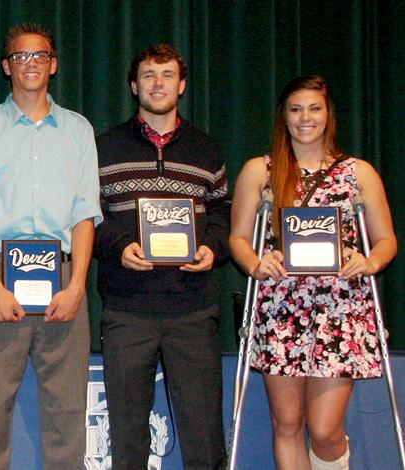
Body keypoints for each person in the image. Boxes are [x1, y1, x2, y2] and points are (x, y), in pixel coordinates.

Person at [230, 75, 397, 470]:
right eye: (296, 109)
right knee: (287, 423)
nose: (305, 117)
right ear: (284, 116)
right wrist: (255, 263)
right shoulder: (261, 170)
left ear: (328, 114)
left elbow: (386, 240)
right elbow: (238, 238)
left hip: (339, 309)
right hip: (281, 307)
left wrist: (370, 262)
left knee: (324, 430)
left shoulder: (358, 172)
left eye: (314, 108)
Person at [0, 23, 101, 470]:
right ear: (7, 67)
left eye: (40, 55)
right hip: (0, 275)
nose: (31, 63)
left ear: (53, 65)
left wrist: (77, 285)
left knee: (68, 412)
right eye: (21, 56)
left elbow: (85, 212)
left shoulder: (77, 129)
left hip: (63, 277)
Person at [94, 44, 230, 470]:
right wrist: (119, 246)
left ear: (182, 85)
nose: (158, 84)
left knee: (204, 436)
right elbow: (87, 216)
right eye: (149, 76)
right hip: (127, 309)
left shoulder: (206, 149)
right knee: (127, 437)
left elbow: (224, 212)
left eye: (168, 75)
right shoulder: (105, 147)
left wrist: (212, 248)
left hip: (193, 308)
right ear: (135, 86)